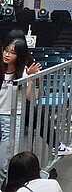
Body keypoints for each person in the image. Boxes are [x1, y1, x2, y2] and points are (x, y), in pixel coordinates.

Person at [0, 39, 42, 184]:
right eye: (6, 50)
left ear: (20, 56)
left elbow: (30, 97)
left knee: (4, 161)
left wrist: (30, 77)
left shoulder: (23, 72)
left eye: (12, 53)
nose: (7, 55)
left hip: (11, 118)